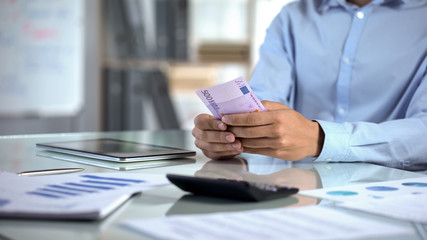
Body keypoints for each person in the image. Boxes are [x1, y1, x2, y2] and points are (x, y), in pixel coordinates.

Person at [192, 0, 427, 171]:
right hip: (297, 189)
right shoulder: (292, 17)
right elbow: (264, 99)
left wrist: (321, 139)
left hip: (395, 192)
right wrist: (233, 137)